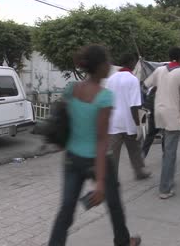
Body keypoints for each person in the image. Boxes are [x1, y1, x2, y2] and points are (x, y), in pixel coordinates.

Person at [48, 45, 141, 246]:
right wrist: (99, 181)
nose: (110, 65)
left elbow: (64, 122)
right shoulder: (104, 97)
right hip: (96, 161)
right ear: (99, 67)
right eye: (107, 61)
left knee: (66, 209)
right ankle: (123, 242)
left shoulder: (72, 89)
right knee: (114, 203)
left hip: (72, 158)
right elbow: (101, 141)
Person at [143, 47, 180, 199]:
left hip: (159, 112)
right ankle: (165, 188)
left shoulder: (159, 70)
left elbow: (146, 85)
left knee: (167, 148)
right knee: (170, 152)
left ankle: (169, 179)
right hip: (172, 114)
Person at [106, 53, 151, 180]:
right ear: (131, 62)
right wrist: (138, 125)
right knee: (134, 149)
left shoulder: (111, 79)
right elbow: (135, 106)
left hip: (114, 122)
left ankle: (111, 179)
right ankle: (139, 172)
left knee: (113, 152)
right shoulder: (132, 79)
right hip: (129, 121)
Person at [141, 86, 159, 158]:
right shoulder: (164, 89)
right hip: (162, 115)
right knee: (165, 136)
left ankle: (142, 155)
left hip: (153, 116)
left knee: (149, 137)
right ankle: (166, 156)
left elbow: (146, 104)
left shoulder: (151, 90)